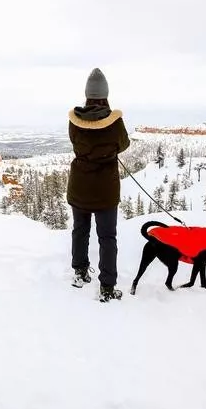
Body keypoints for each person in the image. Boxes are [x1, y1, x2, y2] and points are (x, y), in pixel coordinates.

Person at [67, 68, 131, 302]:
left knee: (80, 231)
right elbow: (123, 144)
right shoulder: (114, 122)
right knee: (107, 238)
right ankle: (107, 287)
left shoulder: (75, 121)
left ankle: (80, 272)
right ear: (105, 94)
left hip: (79, 186)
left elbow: (75, 142)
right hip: (105, 190)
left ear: (87, 94)